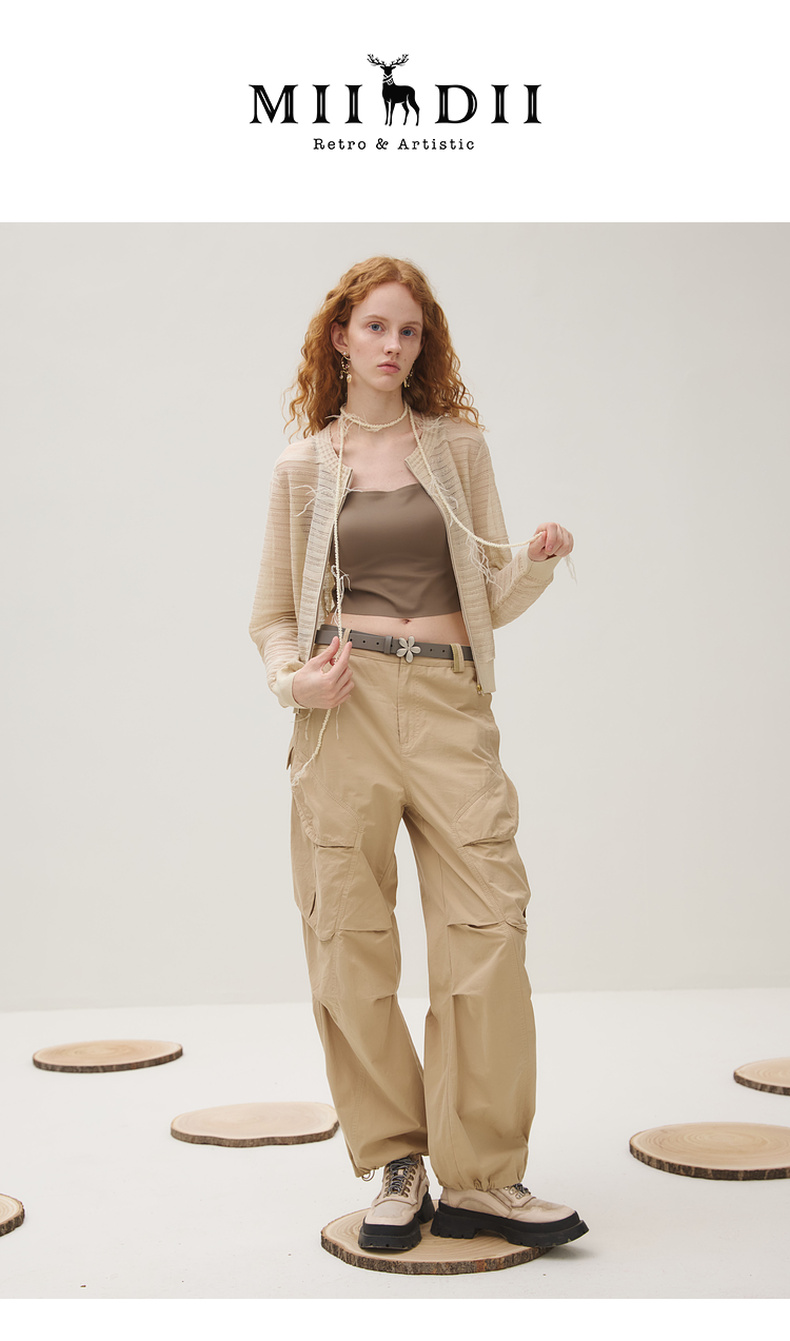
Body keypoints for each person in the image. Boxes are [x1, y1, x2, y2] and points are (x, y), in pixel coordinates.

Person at [249, 256, 588, 1255]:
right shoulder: (303, 467)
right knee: (347, 934)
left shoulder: (457, 450)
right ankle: (397, 1163)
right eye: (375, 327)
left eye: (409, 331)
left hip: (447, 704)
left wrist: (536, 562)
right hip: (342, 712)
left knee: (488, 925)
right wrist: (293, 683)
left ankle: (482, 1178)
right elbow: (271, 615)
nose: (392, 345)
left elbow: (489, 594)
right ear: (341, 337)